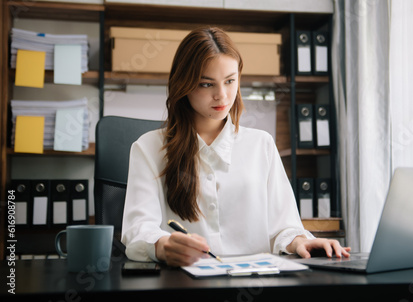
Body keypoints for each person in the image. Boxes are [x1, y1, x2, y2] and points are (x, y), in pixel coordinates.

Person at [121, 27, 350, 266]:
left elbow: (284, 227)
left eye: (230, 81)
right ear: (184, 85)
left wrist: (299, 241)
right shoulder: (148, 148)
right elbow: (138, 229)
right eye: (206, 84)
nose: (222, 95)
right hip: (184, 286)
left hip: (256, 283)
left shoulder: (261, 144)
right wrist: (163, 246)